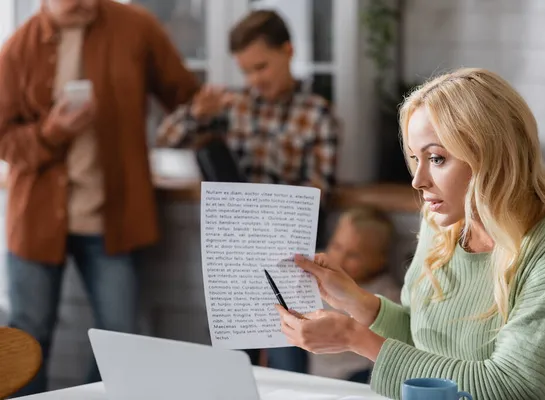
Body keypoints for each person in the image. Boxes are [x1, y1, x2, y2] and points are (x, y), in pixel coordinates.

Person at [276, 68, 545, 400]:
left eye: (436, 158)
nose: (418, 180)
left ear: (492, 154)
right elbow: (426, 344)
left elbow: (517, 388)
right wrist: (358, 303)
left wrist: (355, 338)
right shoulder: (443, 223)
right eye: (416, 158)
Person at [0, 0, 199, 395]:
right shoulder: (17, 49)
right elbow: (5, 141)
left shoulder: (136, 28)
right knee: (27, 336)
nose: (88, 3)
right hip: (37, 219)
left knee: (120, 339)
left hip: (115, 218)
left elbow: (185, 97)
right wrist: (51, 132)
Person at [157, 10, 340, 374]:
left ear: (287, 51)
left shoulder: (319, 115)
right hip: (233, 264)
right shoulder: (232, 107)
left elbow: (319, 194)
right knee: (230, 366)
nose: (254, 79)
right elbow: (166, 139)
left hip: (287, 263)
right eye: (246, 71)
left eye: (262, 67)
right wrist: (196, 113)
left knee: (289, 362)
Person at [309, 205, 400, 383]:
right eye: (336, 246)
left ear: (379, 261)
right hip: (312, 372)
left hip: (354, 377)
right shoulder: (317, 275)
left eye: (353, 255)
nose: (339, 260)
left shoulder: (388, 294)